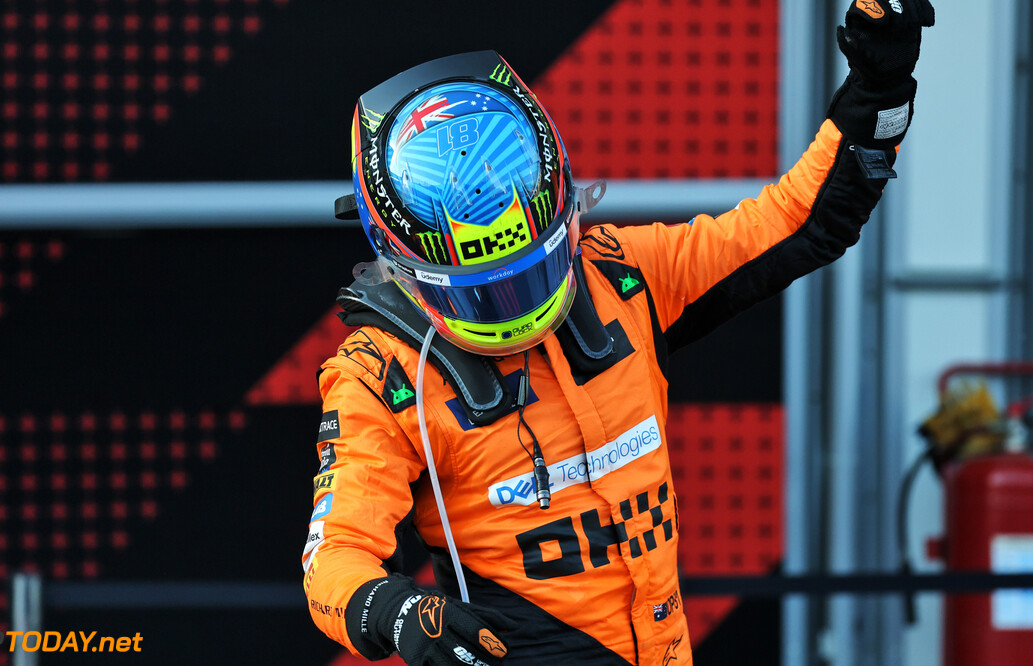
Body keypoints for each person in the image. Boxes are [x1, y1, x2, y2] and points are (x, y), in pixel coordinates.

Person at [304, 1, 934, 663]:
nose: (513, 306)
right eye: (484, 292)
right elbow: (333, 561)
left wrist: (880, 90)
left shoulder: (622, 274)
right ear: (403, 258)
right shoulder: (379, 374)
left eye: (531, 272)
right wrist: (398, 612)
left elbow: (799, 223)